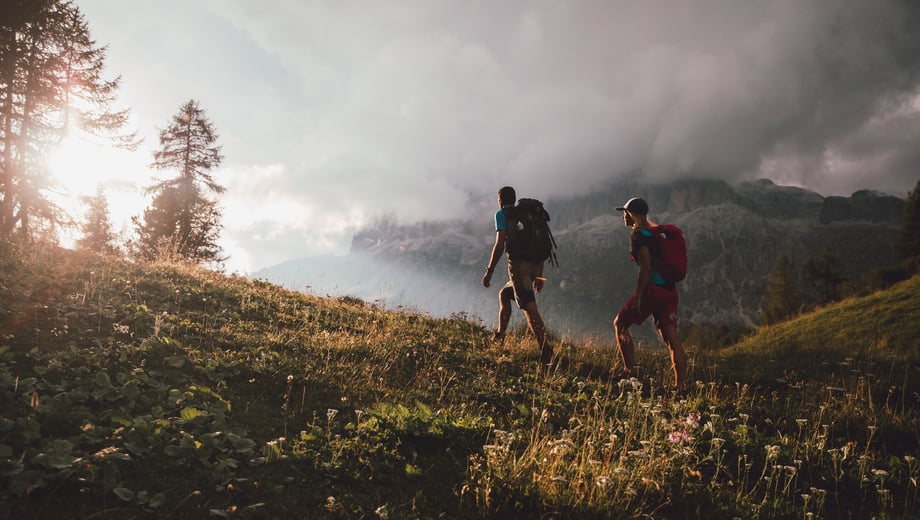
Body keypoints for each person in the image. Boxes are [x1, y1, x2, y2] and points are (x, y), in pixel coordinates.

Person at [613, 197, 688, 390]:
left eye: (625, 212)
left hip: (653, 290)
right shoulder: (656, 233)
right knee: (672, 338)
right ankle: (681, 385)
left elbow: (645, 266)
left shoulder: (639, 235)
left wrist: (639, 296)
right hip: (669, 291)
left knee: (620, 323)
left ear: (632, 214)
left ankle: (630, 372)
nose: (623, 216)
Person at [482, 186, 553, 365]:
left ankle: (546, 350)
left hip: (519, 267)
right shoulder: (527, 216)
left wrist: (489, 272)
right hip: (535, 266)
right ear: (513, 199)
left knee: (529, 307)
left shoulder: (502, 215)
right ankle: (500, 336)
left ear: (500, 199)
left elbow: (499, 246)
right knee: (505, 294)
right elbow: (539, 246)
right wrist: (539, 276)